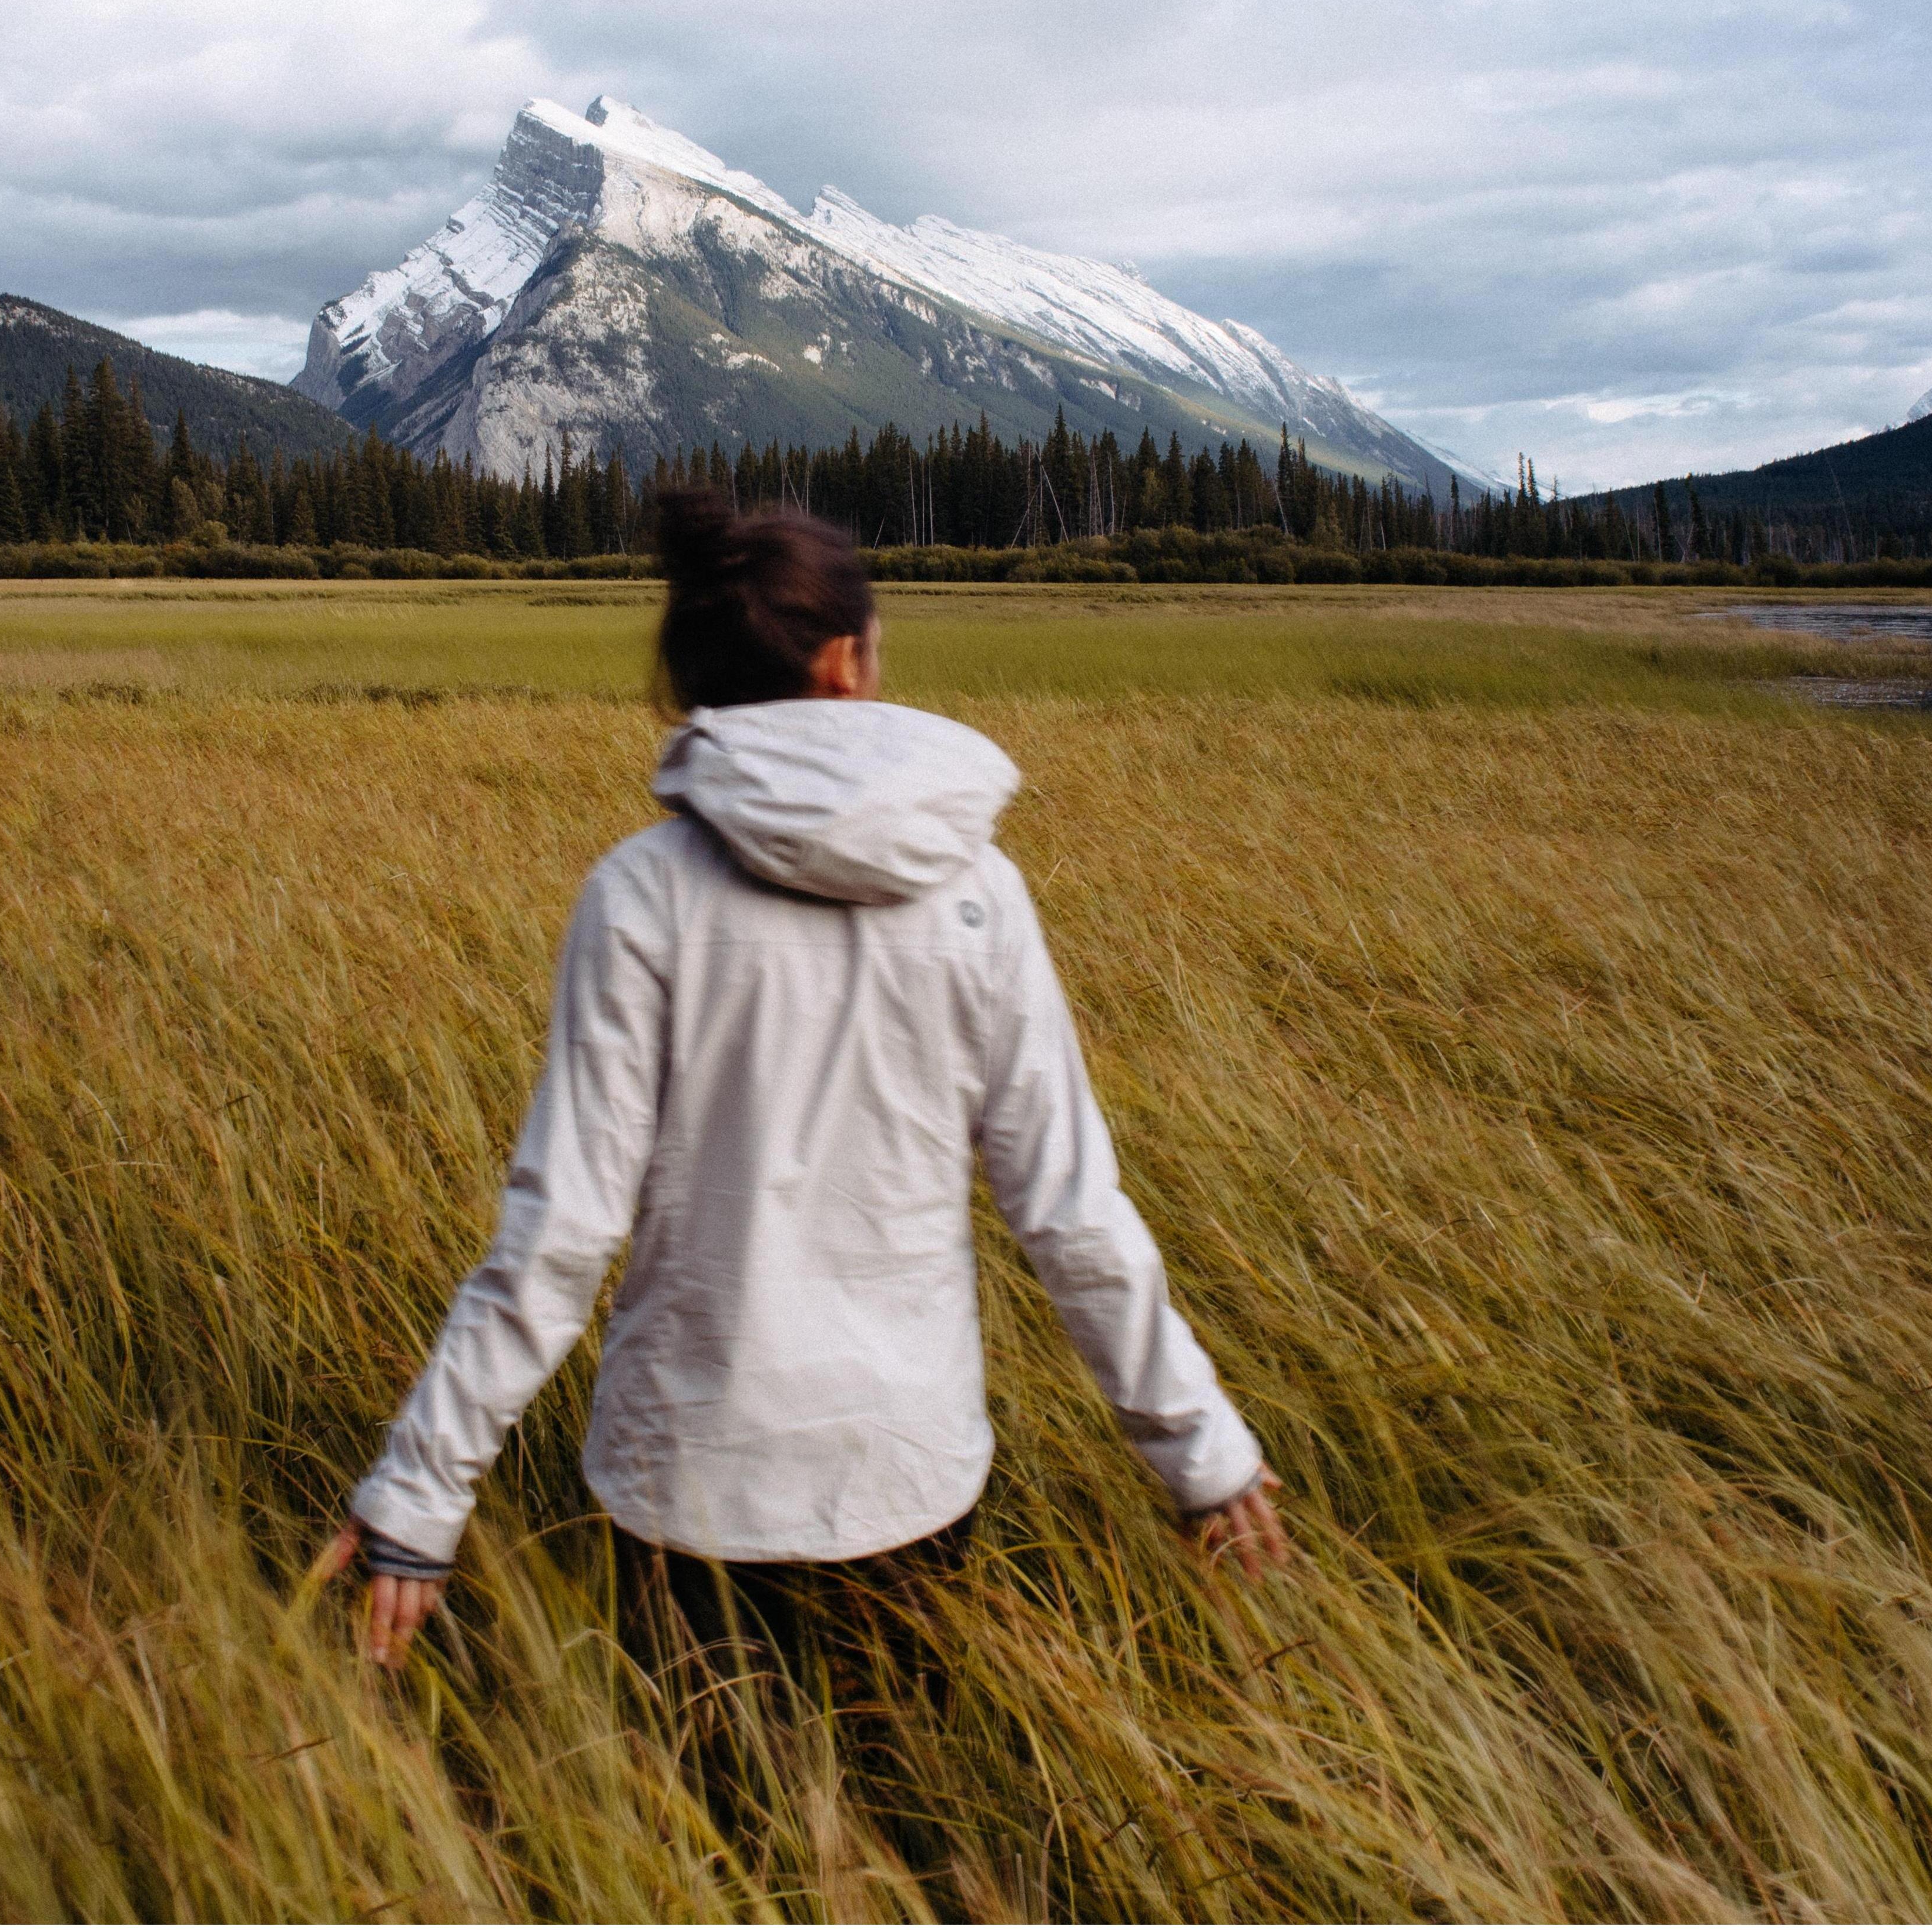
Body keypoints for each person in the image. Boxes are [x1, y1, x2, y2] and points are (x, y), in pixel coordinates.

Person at [323, 490, 1285, 1671]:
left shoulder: (640, 892)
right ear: (843, 660)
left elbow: (561, 1234)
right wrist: (1201, 1455)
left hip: (684, 1481)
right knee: (911, 1831)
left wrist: (420, 1502)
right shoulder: (979, 891)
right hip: (908, 1475)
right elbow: (1070, 1215)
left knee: (695, 1839)